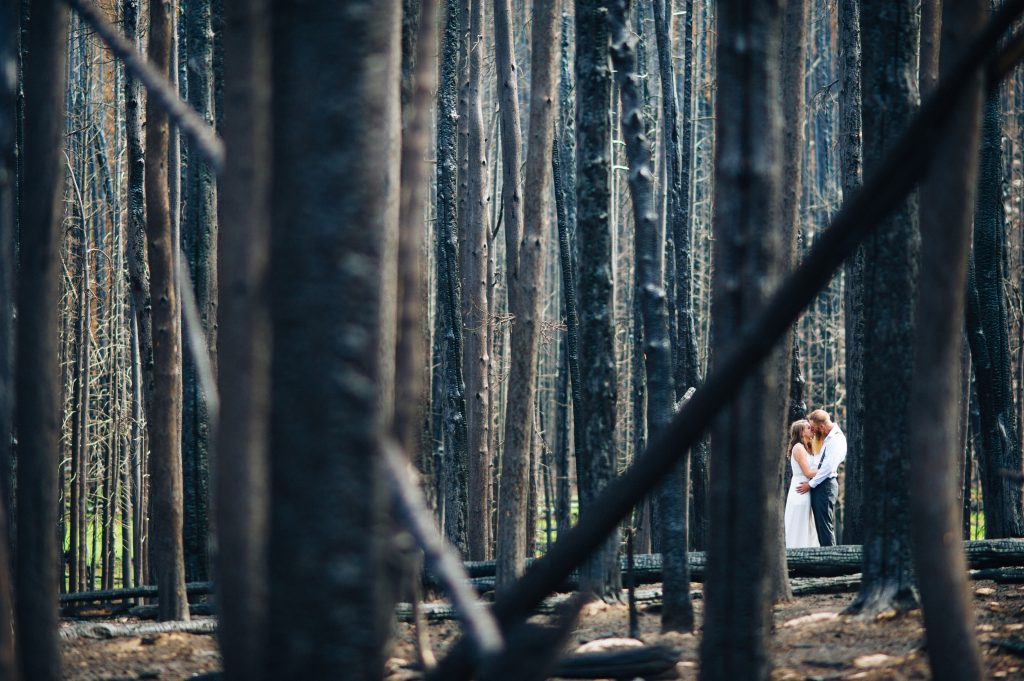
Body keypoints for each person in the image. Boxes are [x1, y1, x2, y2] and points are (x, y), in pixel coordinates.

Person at [796, 409, 847, 546]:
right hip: (820, 484)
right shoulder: (826, 437)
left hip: (826, 486)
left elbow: (827, 468)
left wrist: (810, 484)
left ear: (822, 427)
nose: (813, 431)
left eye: (814, 428)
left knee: (825, 527)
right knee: (820, 527)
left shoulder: (836, 439)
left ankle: (832, 562)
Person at [784, 419, 819, 548]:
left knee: (807, 522)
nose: (812, 429)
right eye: (808, 428)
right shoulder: (798, 448)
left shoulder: (806, 446)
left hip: (806, 488)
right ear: (801, 432)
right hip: (801, 490)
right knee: (800, 522)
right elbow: (808, 472)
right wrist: (827, 470)